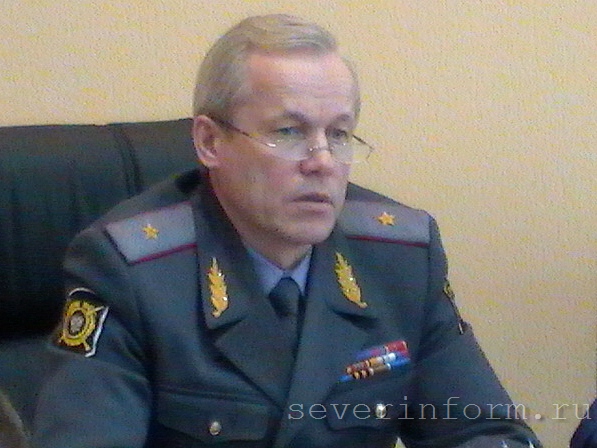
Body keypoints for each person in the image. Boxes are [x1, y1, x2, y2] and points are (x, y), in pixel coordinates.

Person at [33, 14, 541, 447]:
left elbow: (485, 430)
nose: (322, 161)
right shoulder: (130, 273)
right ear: (210, 142)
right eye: (289, 131)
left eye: (338, 134)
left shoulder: (401, 257)